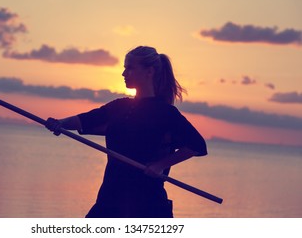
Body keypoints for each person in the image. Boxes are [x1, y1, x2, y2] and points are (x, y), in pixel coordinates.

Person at [45, 46, 207, 218]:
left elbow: (197, 145)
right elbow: (86, 120)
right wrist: (60, 123)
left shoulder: (165, 113)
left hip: (147, 205)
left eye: (130, 68)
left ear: (149, 71)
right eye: (124, 68)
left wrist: (161, 165)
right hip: (110, 199)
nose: (124, 73)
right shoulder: (119, 106)